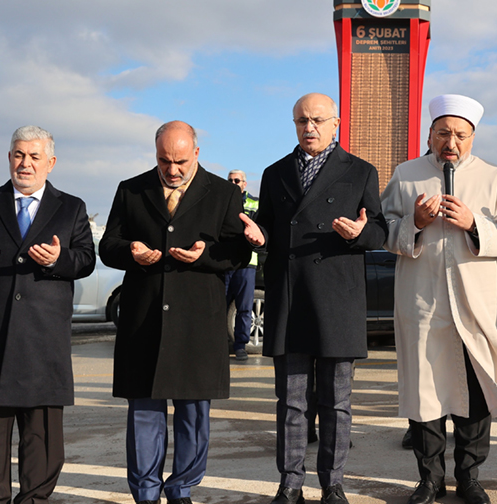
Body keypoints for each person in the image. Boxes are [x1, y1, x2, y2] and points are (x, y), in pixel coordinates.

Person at [242, 93, 387, 504]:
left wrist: (361, 234)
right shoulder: (275, 173)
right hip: (291, 295)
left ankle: (332, 483)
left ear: (336, 123)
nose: (310, 127)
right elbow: (267, 226)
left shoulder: (360, 171)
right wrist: (260, 235)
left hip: (337, 297)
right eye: (302, 120)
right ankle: (290, 483)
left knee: (336, 402)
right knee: (290, 401)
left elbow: (378, 230)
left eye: (318, 120)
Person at [382, 94, 497, 504]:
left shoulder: (494, 177)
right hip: (422, 302)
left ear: (473, 137)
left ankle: (470, 477)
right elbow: (385, 230)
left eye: (461, 135)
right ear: (430, 134)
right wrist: (416, 222)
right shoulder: (406, 174)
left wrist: (474, 224)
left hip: (475, 302)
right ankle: (428, 479)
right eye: (443, 133)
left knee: (476, 390)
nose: (452, 142)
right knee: (426, 392)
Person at [99, 121, 251, 504]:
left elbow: (239, 253)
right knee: (144, 414)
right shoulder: (131, 189)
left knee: (193, 415)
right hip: (144, 319)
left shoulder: (222, 193)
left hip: (198, 322)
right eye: (164, 160)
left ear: (196, 153)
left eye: (180, 161)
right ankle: (146, 492)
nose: (172, 169)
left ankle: (181, 487)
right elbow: (107, 246)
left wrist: (205, 256)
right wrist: (131, 249)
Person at [0, 125, 96, 503]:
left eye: (34, 156)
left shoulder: (71, 207)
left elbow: (86, 259)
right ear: (9, 158)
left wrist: (60, 259)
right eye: (19, 155)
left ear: (50, 163)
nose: (25, 164)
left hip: (43, 347)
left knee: (42, 452)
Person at [225, 169, 259, 361]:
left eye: (237, 180)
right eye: (229, 180)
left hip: (247, 263)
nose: (233, 183)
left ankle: (240, 346)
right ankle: (218, 345)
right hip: (224, 262)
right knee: (217, 306)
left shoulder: (255, 202)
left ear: (244, 184)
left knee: (244, 308)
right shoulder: (220, 202)